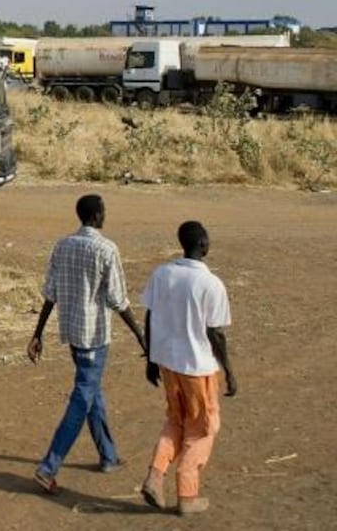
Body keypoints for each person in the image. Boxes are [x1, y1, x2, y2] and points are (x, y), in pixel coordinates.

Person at [27, 194, 146, 495]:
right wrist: (140, 335)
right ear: (96, 216)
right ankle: (48, 467)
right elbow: (118, 300)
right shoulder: (106, 249)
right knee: (82, 397)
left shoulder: (62, 245)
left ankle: (108, 455)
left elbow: (50, 294)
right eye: (103, 212)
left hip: (72, 333)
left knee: (92, 392)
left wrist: (37, 333)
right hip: (94, 337)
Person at [139, 221, 236, 516]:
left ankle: (156, 474)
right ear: (204, 244)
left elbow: (149, 316)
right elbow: (215, 333)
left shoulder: (162, 274)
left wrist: (151, 357)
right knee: (204, 428)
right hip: (197, 368)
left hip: (168, 362)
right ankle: (187, 493)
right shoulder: (210, 284)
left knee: (175, 420)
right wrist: (229, 370)